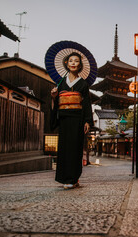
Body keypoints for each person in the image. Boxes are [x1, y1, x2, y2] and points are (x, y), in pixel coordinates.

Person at [50, 52, 93, 189]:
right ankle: (64, 178)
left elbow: (86, 104)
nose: (73, 63)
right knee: (63, 148)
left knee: (75, 148)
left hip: (77, 119)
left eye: (76, 61)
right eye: (71, 61)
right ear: (66, 64)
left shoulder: (83, 84)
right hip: (64, 118)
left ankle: (73, 178)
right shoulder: (61, 84)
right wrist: (54, 96)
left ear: (79, 65)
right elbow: (56, 104)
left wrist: (87, 121)